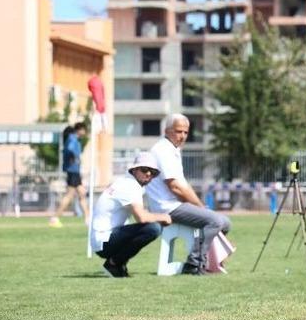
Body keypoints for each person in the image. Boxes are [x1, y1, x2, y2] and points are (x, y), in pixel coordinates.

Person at [146, 113, 231, 275]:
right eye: (179, 131)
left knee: (226, 222)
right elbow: (176, 187)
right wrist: (200, 207)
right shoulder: (162, 150)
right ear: (167, 131)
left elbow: (184, 185)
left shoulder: (173, 150)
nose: (183, 136)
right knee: (215, 221)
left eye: (186, 132)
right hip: (166, 207)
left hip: (176, 204)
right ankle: (194, 264)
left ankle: (209, 260)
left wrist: (201, 206)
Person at [91, 152, 171, 278]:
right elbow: (141, 217)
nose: (148, 174)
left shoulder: (126, 182)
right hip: (105, 241)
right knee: (153, 228)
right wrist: (164, 217)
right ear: (134, 170)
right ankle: (114, 263)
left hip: (103, 239)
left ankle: (118, 264)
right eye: (144, 169)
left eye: (153, 172)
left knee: (151, 227)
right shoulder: (130, 185)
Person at [49, 122, 88, 228]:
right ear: (79, 130)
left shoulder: (76, 139)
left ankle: (87, 219)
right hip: (73, 170)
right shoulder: (72, 138)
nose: (85, 133)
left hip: (75, 171)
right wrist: (74, 157)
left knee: (82, 193)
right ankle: (54, 218)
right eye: (84, 130)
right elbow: (70, 149)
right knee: (69, 195)